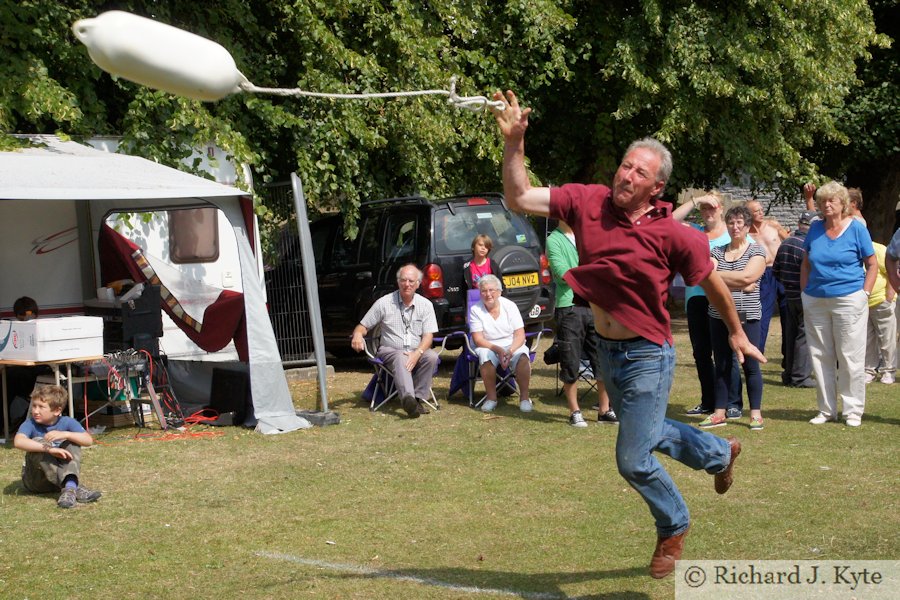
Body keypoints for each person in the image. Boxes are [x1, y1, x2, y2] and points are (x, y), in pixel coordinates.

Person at [491, 89, 765, 579]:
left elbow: (713, 283)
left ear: (656, 188)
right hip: (607, 352)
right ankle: (720, 453)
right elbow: (518, 196)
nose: (626, 174)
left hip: (647, 354)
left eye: (640, 171)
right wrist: (515, 143)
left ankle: (674, 523)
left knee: (633, 458)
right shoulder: (587, 201)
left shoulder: (675, 235)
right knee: (652, 432)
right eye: (624, 165)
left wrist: (738, 333)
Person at [801, 181, 877, 427]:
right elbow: (806, 263)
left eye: (832, 200)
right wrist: (804, 292)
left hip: (849, 298)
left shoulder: (857, 229)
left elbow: (872, 264)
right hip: (815, 299)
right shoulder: (814, 229)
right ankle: (826, 410)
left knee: (850, 355)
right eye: (823, 201)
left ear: (843, 204)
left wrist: (864, 293)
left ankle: (852, 410)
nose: (827, 204)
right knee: (820, 355)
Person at [673, 193, 744, 418]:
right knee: (701, 353)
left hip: (722, 298)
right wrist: (696, 200)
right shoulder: (694, 231)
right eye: (704, 209)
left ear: (722, 209)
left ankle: (732, 402)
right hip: (696, 297)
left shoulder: (731, 233)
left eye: (712, 208)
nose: (708, 212)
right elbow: (670, 222)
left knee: (726, 352)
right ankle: (708, 401)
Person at [698, 206, 767, 431]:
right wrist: (740, 281)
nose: (735, 227)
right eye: (731, 222)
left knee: (750, 365)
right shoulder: (717, 251)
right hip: (717, 315)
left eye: (739, 223)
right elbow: (706, 277)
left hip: (749, 315)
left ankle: (755, 414)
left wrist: (721, 278)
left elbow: (750, 275)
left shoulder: (756, 251)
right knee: (723, 364)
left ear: (747, 226)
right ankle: (719, 412)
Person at [545, 220, 617, 427]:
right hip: (569, 307)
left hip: (595, 305)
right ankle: (575, 411)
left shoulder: (588, 237)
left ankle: (605, 410)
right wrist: (592, 276)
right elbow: (562, 273)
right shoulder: (554, 239)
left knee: (601, 358)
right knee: (570, 359)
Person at [351, 264, 439, 418]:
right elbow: (362, 326)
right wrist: (358, 335)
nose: (407, 284)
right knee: (400, 356)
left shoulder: (426, 305)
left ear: (418, 284)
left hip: (415, 349)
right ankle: (407, 398)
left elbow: (428, 336)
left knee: (432, 356)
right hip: (389, 351)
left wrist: (417, 353)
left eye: (411, 281)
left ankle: (416, 400)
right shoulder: (384, 303)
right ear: (398, 282)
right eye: (403, 280)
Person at [13, 384, 102, 508]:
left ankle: (69, 489)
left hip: (57, 480)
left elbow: (88, 440)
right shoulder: (30, 424)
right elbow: (18, 441)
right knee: (38, 442)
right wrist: (49, 449)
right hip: (36, 481)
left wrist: (66, 434)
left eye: (41, 407)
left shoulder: (67, 422)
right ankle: (72, 486)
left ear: (57, 411)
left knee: (73, 441)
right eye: (34, 406)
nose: (35, 411)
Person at [469, 274, 533, 413]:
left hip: (511, 343)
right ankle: (491, 398)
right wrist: (498, 350)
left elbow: (520, 335)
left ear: (499, 292)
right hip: (487, 344)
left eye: (491, 290)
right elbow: (478, 339)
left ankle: (524, 398)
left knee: (522, 356)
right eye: (484, 291)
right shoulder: (475, 310)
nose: (488, 294)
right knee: (485, 356)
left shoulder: (510, 306)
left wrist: (510, 351)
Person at [773, 211, 817, 388]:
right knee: (804, 335)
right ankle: (800, 377)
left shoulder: (785, 243)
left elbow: (775, 271)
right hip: (805, 294)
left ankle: (789, 374)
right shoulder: (807, 245)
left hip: (789, 294)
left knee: (790, 334)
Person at [746, 199, 788, 354]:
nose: (760, 213)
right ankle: (757, 351)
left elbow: (788, 241)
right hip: (764, 274)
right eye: (756, 211)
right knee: (763, 313)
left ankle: (789, 355)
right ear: (749, 214)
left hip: (782, 271)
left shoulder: (773, 225)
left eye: (761, 209)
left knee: (788, 313)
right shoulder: (747, 234)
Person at [864, 242, 896, 385]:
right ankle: (869, 371)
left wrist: (889, 297)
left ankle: (888, 371)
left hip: (880, 301)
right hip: (862, 304)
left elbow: (891, 271)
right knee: (867, 340)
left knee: (886, 338)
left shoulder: (878, 249)